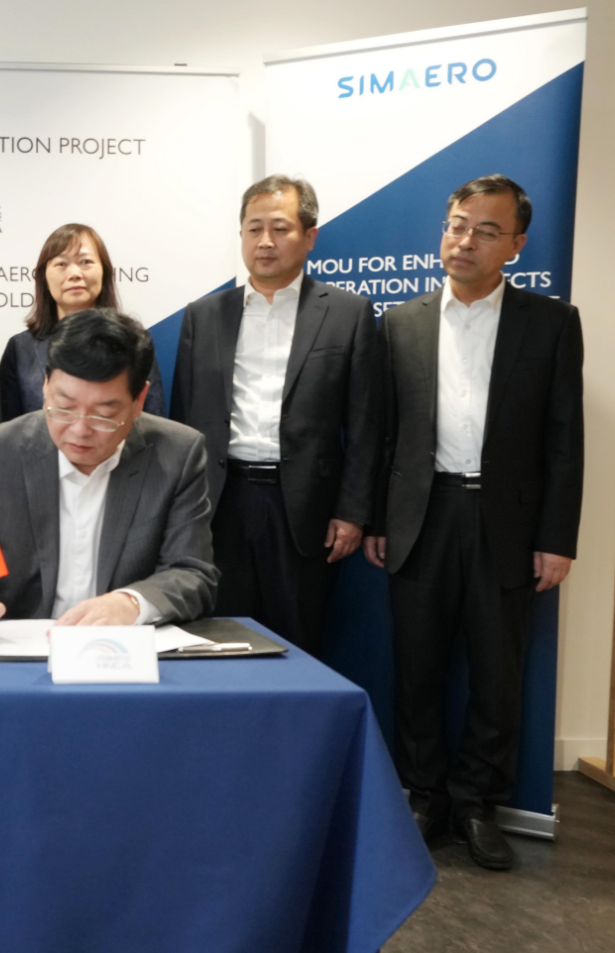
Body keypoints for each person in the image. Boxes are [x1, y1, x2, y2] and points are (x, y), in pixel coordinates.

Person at [365, 175, 582, 870]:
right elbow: (383, 433)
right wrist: (378, 518)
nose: (465, 240)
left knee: (497, 673)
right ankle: (424, 795)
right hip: (420, 517)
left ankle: (477, 804)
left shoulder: (550, 323)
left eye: (486, 231)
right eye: (457, 225)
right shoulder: (400, 322)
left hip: (506, 523)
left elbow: (564, 438)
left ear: (516, 245)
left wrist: (556, 537)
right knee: (416, 667)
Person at [0, 309, 218, 638]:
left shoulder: (177, 453)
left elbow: (192, 573)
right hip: (11, 652)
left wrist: (130, 604)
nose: (80, 430)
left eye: (103, 414)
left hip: (118, 652)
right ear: (45, 386)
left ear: (139, 400)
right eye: (65, 407)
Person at [170, 175, 381, 657]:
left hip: (304, 509)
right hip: (220, 503)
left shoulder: (347, 313)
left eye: (280, 228)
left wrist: (352, 511)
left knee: (298, 643)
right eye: (254, 228)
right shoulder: (203, 315)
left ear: (309, 236)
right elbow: (183, 421)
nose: (265, 241)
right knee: (218, 642)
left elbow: (366, 423)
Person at [0, 223, 165, 421]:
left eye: (85, 261)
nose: (74, 274)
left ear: (104, 272)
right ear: (44, 278)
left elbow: (153, 422)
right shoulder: (20, 348)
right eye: (61, 264)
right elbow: (9, 428)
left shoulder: (133, 343)